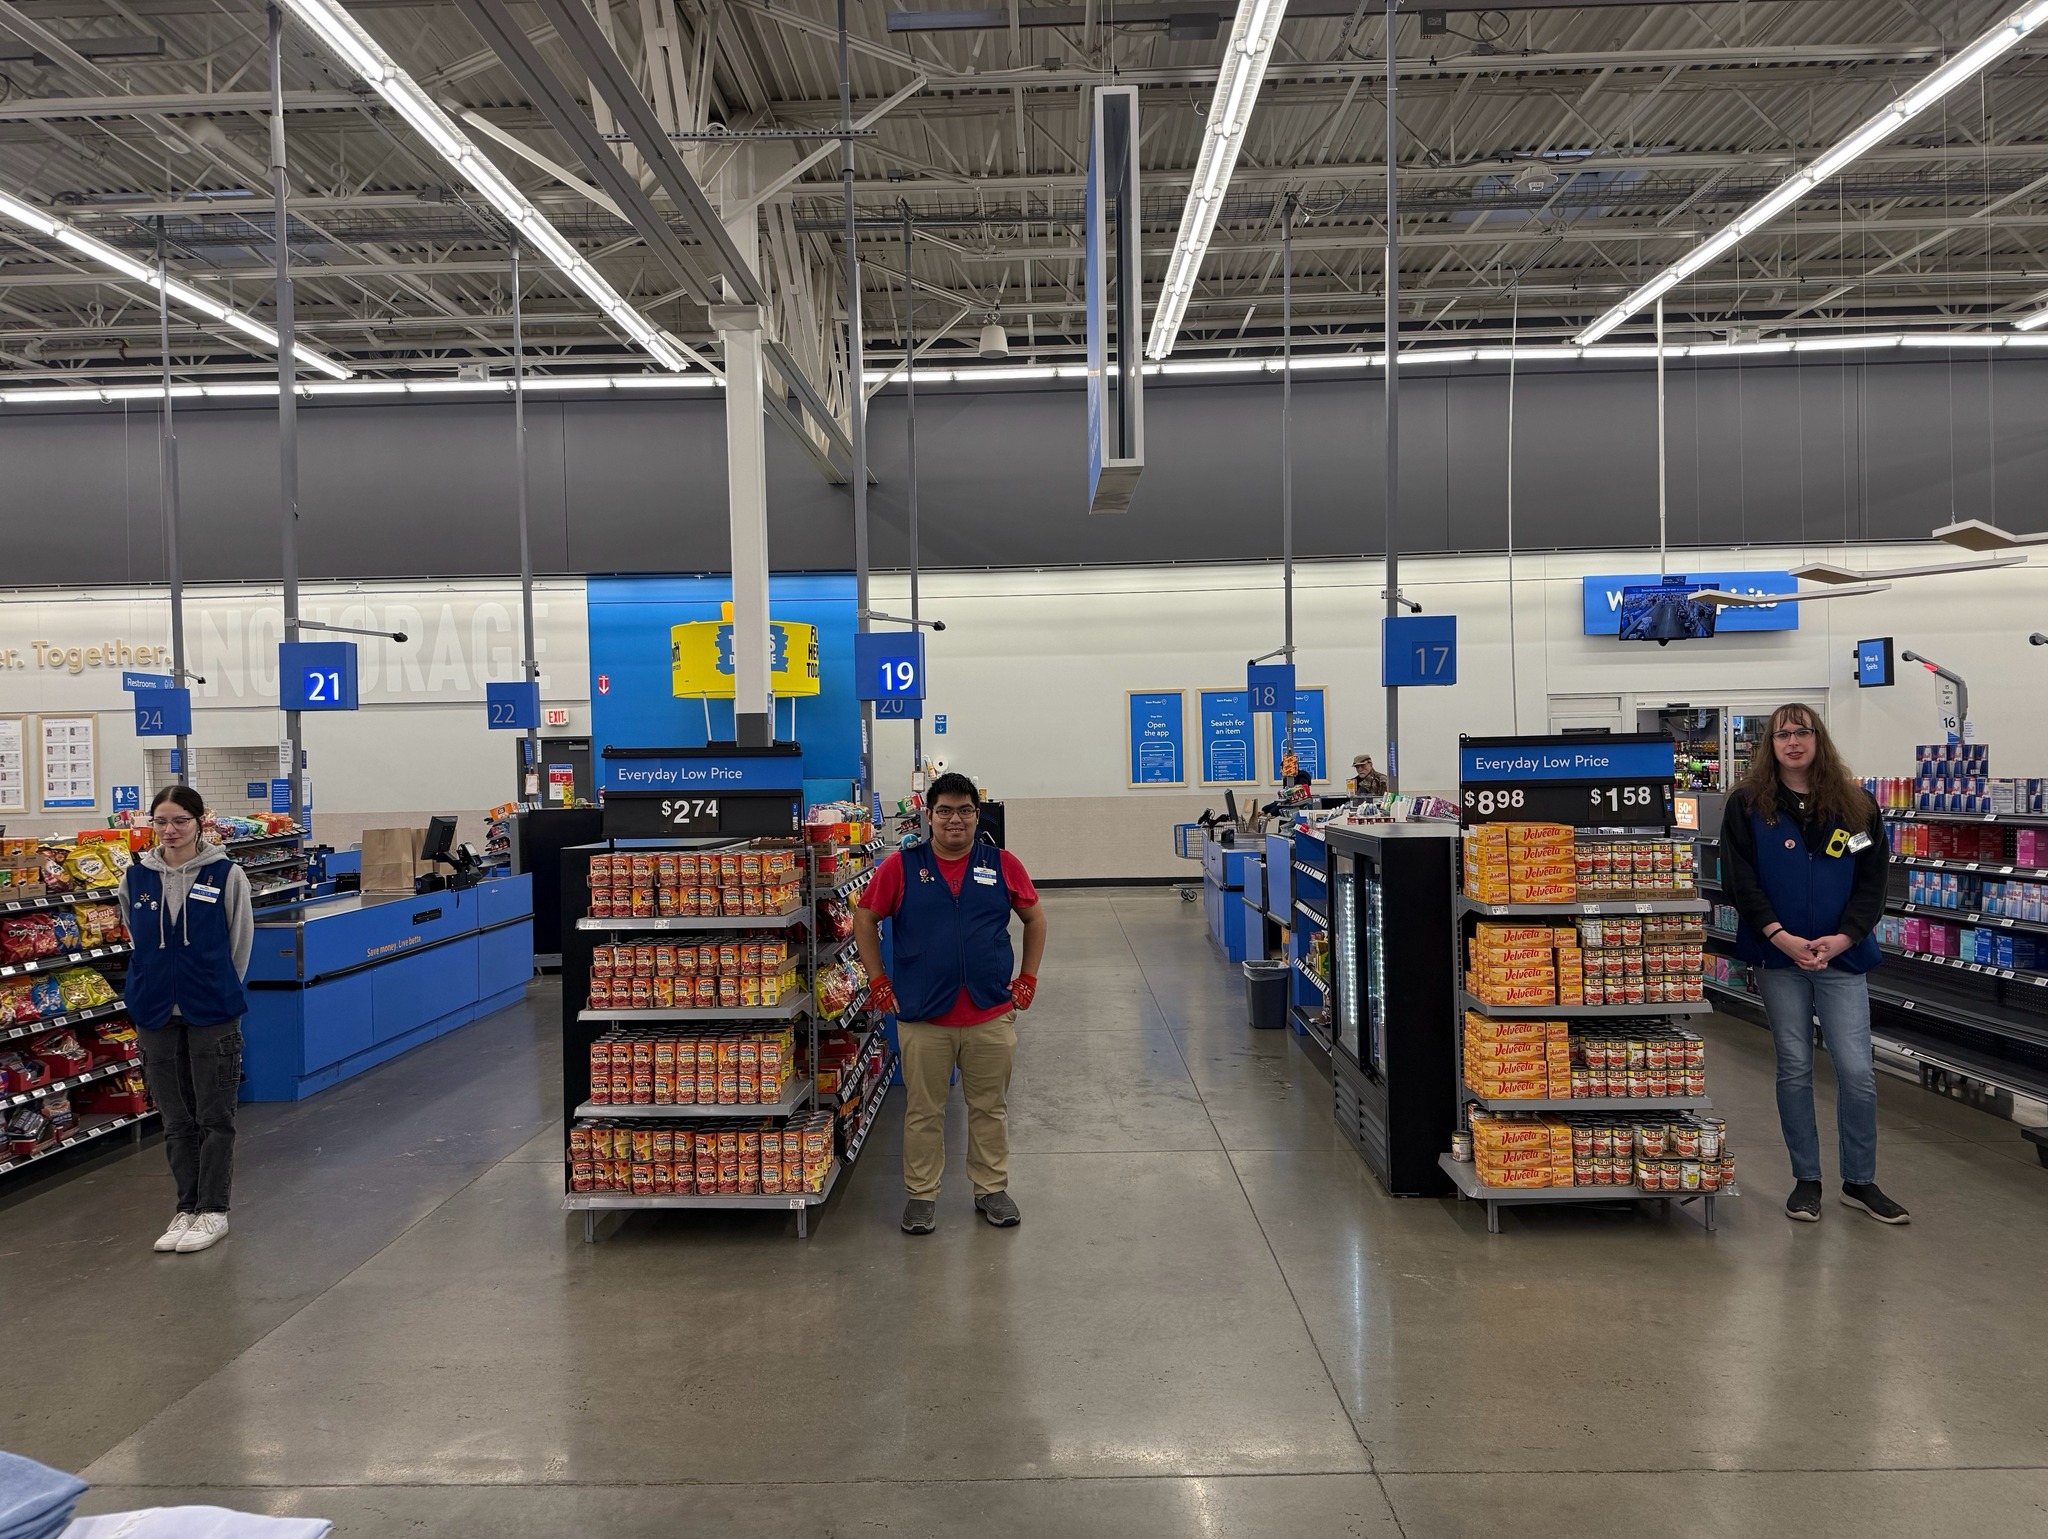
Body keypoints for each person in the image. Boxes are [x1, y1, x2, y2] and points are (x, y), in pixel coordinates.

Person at [1721, 705, 1908, 1226]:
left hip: (1843, 957)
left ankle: (1860, 1181)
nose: (1793, 741)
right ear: (1770, 745)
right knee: (1795, 1067)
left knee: (1857, 1071)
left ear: (1818, 738)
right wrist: (1779, 937)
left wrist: (1844, 937)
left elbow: (1872, 880)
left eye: (1803, 731)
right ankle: (1807, 1180)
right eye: (1783, 734)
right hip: (1778, 957)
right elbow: (1739, 879)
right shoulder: (1747, 805)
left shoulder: (1857, 806)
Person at [854, 772, 1048, 1234]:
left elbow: (1035, 918)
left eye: (964, 810)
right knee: (924, 1112)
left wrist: (1028, 978)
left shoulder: (1002, 864)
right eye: (945, 810)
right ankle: (921, 1196)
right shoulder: (900, 867)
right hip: (924, 1016)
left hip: (990, 1013)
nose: (954, 819)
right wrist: (878, 981)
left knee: (990, 1107)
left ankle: (991, 1188)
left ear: (977, 816)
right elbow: (864, 919)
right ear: (929, 816)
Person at [119, 786, 255, 1253]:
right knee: (176, 1118)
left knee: (214, 1116)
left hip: (211, 1010)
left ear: (199, 822)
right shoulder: (135, 877)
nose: (170, 829)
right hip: (155, 1011)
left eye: (180, 820)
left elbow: (239, 943)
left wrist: (215, 984)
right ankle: (187, 1207)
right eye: (161, 821)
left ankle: (213, 1210)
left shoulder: (226, 874)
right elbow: (136, 939)